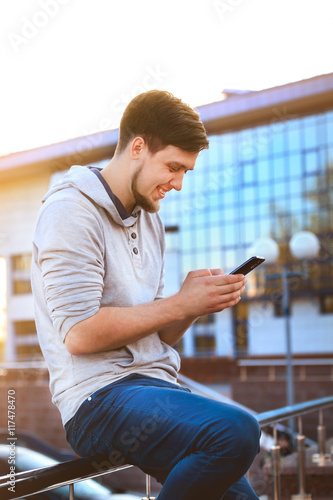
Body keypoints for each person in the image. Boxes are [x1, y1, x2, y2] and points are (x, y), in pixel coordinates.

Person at [31, 90, 261, 500]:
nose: (178, 184)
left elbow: (158, 335)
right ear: (138, 147)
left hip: (155, 388)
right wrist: (180, 303)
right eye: (174, 167)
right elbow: (80, 334)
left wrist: (195, 304)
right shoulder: (70, 211)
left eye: (186, 171)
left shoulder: (150, 220)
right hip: (97, 401)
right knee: (237, 430)